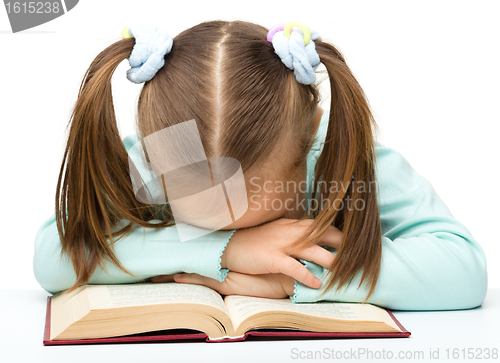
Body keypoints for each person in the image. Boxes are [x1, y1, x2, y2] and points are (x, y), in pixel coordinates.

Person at [33, 20, 487, 311]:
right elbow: (52, 254)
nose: (238, 233)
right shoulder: (153, 161)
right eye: (206, 225)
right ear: (157, 158)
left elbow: (463, 269)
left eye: (262, 223)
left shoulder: (338, 156)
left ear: (309, 138)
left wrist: (295, 279)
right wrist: (228, 250)